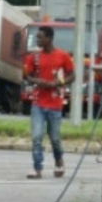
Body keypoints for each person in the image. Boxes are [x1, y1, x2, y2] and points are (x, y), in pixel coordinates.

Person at [23, 26, 74, 179]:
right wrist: (38, 81)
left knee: (55, 138)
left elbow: (72, 75)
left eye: (40, 37)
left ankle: (59, 161)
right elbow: (27, 76)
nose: (37, 40)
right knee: (36, 136)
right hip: (38, 102)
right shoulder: (34, 57)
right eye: (36, 37)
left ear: (49, 38)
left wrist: (59, 83)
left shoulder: (63, 56)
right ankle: (37, 167)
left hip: (55, 103)